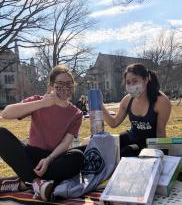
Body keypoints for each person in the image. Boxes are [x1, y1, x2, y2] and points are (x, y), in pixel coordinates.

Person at [0, 64, 84, 201]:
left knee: (78, 157)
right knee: (1, 134)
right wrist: (42, 104)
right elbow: (6, 113)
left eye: (69, 84)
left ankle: (23, 182)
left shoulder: (76, 113)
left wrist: (48, 159)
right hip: (30, 154)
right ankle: (35, 183)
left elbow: (65, 143)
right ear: (51, 86)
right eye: (60, 84)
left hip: (53, 158)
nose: (65, 88)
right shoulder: (38, 101)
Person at [102, 63, 171, 157]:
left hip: (150, 143)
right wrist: (100, 106)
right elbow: (113, 123)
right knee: (107, 147)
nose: (131, 85)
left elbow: (160, 132)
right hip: (132, 137)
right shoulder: (127, 100)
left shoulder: (161, 101)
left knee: (125, 152)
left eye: (135, 81)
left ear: (146, 80)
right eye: (128, 82)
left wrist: (162, 155)